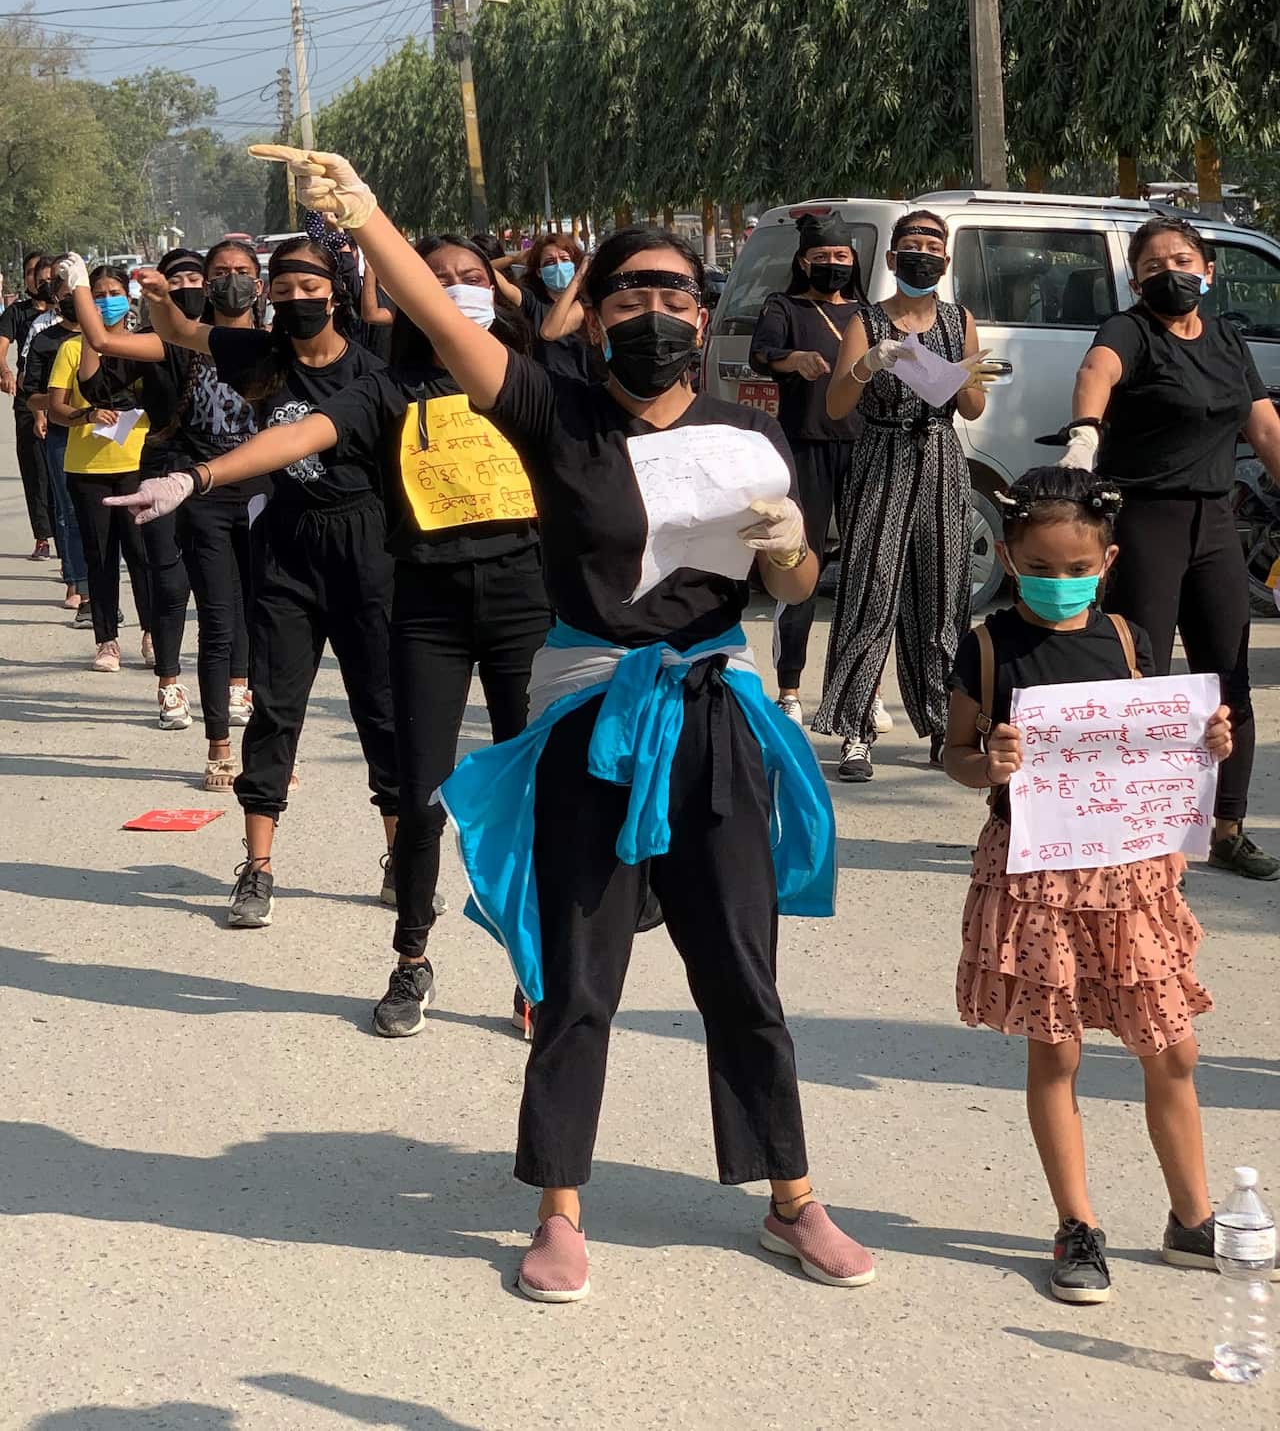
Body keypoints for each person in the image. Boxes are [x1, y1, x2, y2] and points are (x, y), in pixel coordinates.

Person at [255, 143, 875, 1303]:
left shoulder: (747, 433)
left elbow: (789, 586)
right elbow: (441, 321)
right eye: (626, 294)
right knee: (579, 977)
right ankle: (557, 1207)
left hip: (713, 714)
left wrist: (791, 547)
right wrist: (367, 218)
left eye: (672, 293)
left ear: (702, 313)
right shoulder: (555, 411)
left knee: (740, 972)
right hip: (592, 719)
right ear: (591, 316)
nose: (653, 312)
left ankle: (790, 1198)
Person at [116, 234, 551, 1035]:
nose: (456, 290)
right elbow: (301, 434)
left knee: (531, 791)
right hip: (416, 600)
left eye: (472, 278)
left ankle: (537, 969)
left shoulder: (533, 382)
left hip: (518, 604)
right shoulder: (389, 386)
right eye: (437, 279)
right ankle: (410, 959)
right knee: (419, 791)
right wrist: (198, 475)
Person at [943, 466, 1235, 1304]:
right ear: (1007, 556)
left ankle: (1193, 1218)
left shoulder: (1131, 639)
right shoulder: (989, 646)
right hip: (1037, 878)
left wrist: (1207, 742)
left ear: (1106, 560)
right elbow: (956, 752)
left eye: (1077, 567)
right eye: (1041, 565)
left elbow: (1164, 742)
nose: (1059, 580)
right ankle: (1076, 1224)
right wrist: (987, 762)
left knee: (1172, 1046)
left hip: (1131, 871)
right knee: (1057, 1048)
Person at [119, 235, 396, 927]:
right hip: (287, 544)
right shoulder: (261, 355)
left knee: (382, 710)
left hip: (364, 546)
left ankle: (403, 861)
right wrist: (159, 299)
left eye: (311, 288)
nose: (298, 300)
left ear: (335, 293)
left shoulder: (371, 370)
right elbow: (182, 332)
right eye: (286, 288)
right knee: (274, 706)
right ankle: (258, 867)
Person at [1067, 216, 1280, 880]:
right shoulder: (1129, 329)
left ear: (1208, 271)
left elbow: (1265, 427)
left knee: (1228, 677)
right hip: (1143, 521)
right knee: (1141, 678)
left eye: (1182, 260)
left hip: (1215, 523)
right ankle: (1135, 831)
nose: (1170, 273)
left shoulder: (1226, 338)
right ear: (1136, 280)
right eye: (1154, 265)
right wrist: (1084, 433)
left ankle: (1228, 828)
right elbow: (1097, 370)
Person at [67, 244, 261, 782]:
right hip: (177, 480)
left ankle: (247, 703)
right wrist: (85, 293)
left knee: (252, 605)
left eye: (235, 273)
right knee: (178, 590)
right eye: (190, 279)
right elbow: (100, 364)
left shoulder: (271, 345)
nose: (203, 286)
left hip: (252, 488)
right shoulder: (170, 344)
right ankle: (178, 692)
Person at [815, 211, 998, 782]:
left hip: (940, 454)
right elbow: (836, 406)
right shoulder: (866, 321)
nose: (923, 255)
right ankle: (856, 729)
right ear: (893, 259)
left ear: (945, 260)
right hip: (882, 455)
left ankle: (944, 724)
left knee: (942, 595)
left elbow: (972, 409)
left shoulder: (959, 319)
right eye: (912, 246)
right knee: (871, 591)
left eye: (932, 247)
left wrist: (965, 377)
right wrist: (869, 365)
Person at [749, 215, 868, 724]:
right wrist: (793, 360)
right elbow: (761, 355)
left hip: (863, 447)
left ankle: (859, 688)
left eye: (841, 256)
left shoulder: (866, 314)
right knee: (801, 564)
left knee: (866, 570)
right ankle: (790, 688)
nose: (833, 264)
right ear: (803, 261)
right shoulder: (785, 307)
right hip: (804, 447)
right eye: (822, 257)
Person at [46, 264, 153, 673]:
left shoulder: (143, 346)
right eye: (98, 295)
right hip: (87, 469)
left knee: (143, 555)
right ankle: (107, 640)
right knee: (100, 556)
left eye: (114, 293)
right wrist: (86, 415)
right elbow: (55, 408)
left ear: (128, 296)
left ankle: (152, 633)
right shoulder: (72, 349)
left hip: (137, 465)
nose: (107, 301)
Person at [23, 270, 90, 617]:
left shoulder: (107, 338)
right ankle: (76, 580)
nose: (72, 299)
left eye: (77, 291)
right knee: (69, 511)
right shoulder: (45, 341)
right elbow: (30, 395)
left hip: (108, 437)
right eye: (65, 293)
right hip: (63, 435)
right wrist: (57, 404)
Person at [0, 251, 57, 561]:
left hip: (63, 401)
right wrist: (5, 372)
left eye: (48, 277)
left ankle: (69, 542)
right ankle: (42, 537)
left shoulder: (67, 315)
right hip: (29, 400)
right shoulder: (18, 314)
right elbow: (3, 349)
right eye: (34, 274)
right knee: (36, 471)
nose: (40, 281)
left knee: (63, 473)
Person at [493, 232, 594, 382]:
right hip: (545, 388)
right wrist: (513, 259)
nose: (558, 266)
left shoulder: (586, 302)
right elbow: (482, 268)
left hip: (586, 388)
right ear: (539, 272)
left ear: (575, 265)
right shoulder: (532, 300)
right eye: (550, 262)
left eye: (564, 259)